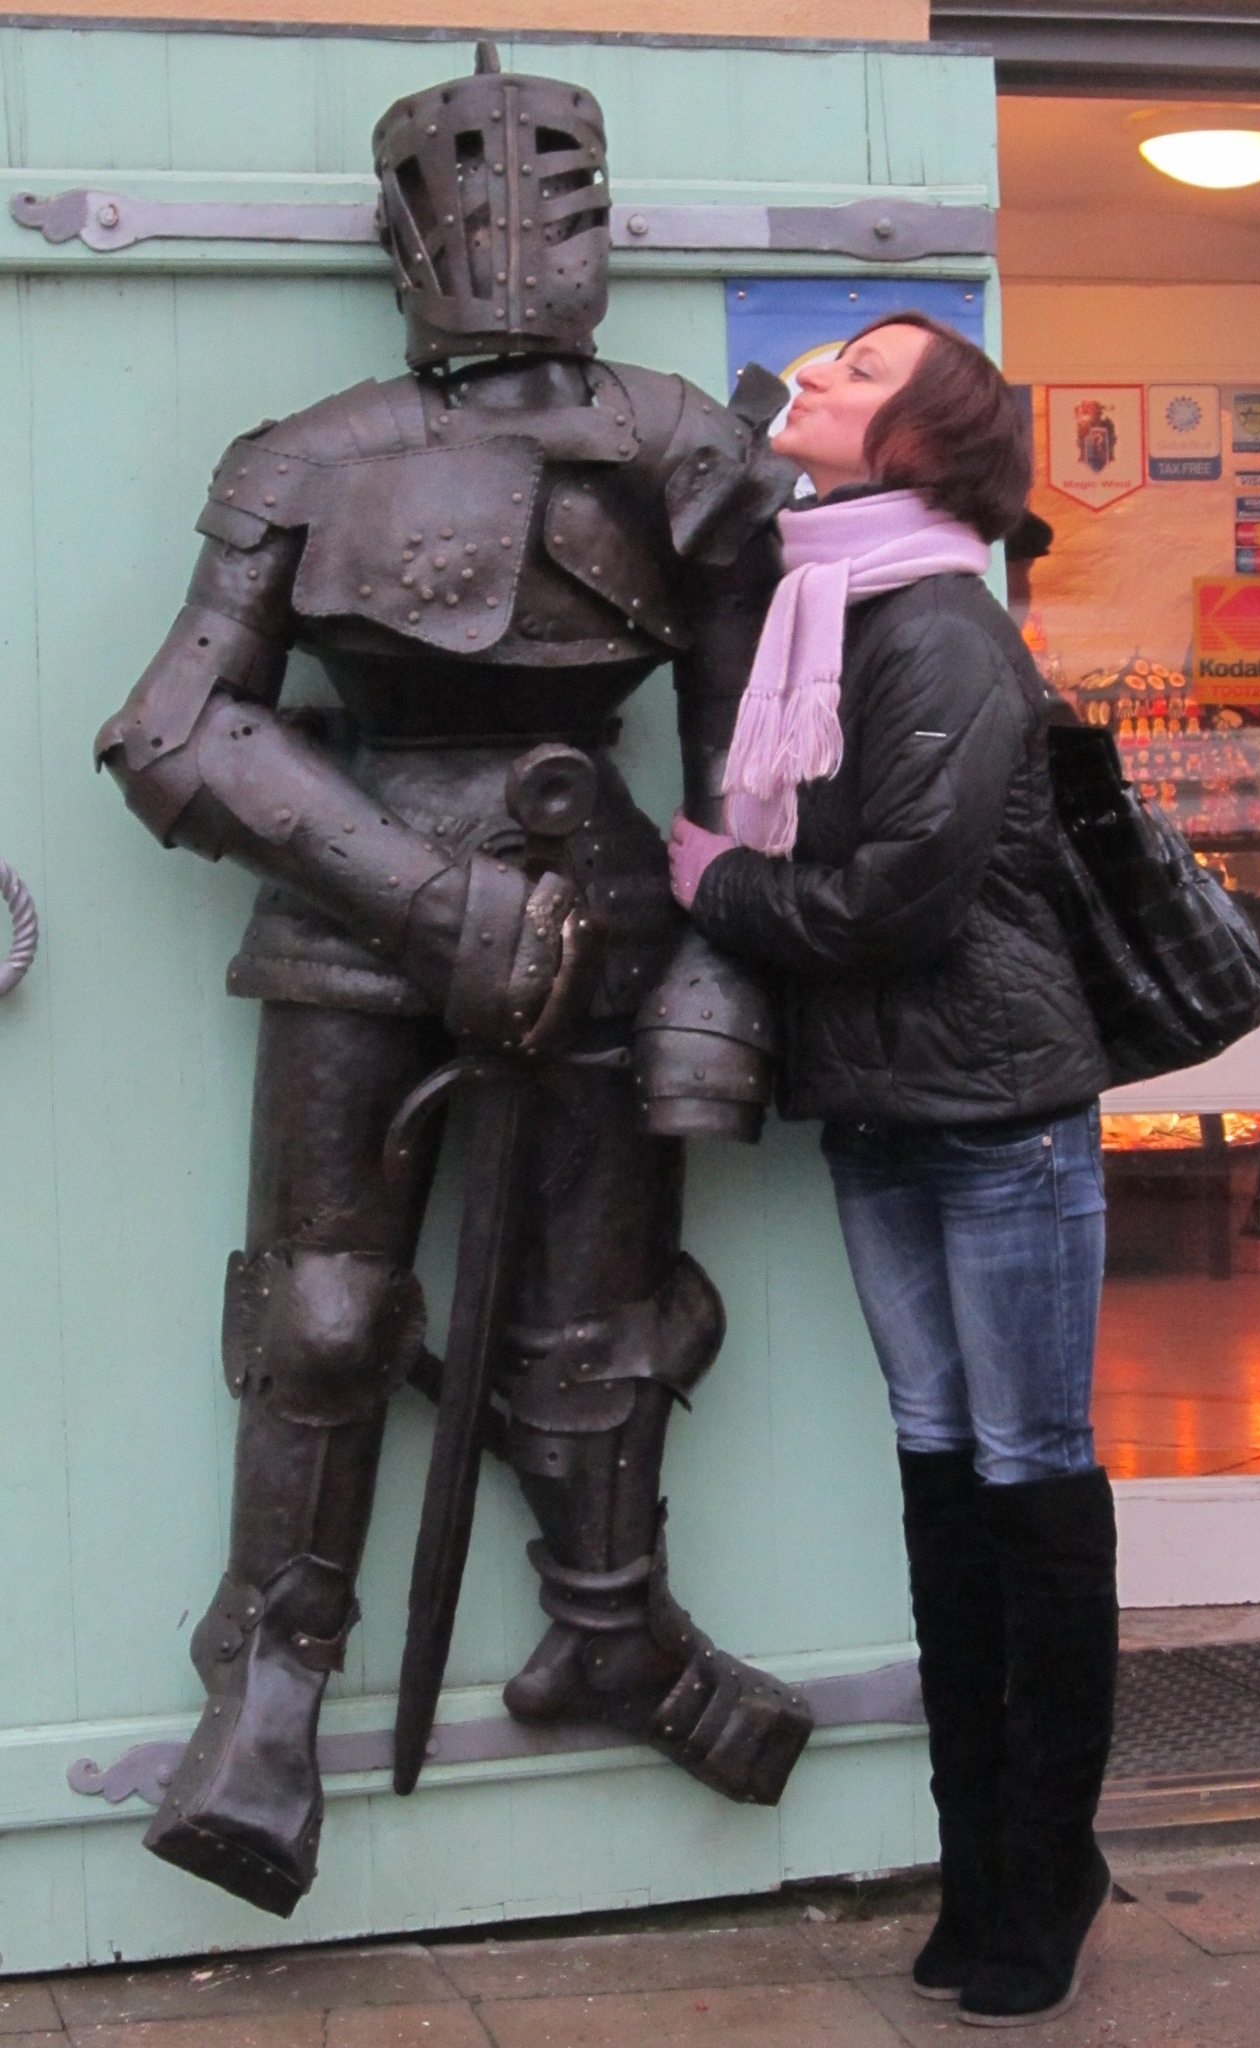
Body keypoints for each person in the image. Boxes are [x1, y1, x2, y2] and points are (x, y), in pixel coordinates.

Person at [95, 45, 812, 1921]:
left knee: (601, 1326)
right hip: (357, 906)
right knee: (328, 1315)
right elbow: (173, 728)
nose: (511, 234)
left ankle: (613, 1627)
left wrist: (717, 975)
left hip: (612, 909)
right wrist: (424, 899)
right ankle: (266, 1675)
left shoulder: (685, 447)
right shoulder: (307, 456)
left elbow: (749, 757)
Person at [668, 313, 1117, 2029]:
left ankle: (1044, 1876)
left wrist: (712, 881)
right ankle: (980, 1868)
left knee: (1029, 1480)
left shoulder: (937, 626)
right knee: (943, 1483)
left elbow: (896, 900)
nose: (817, 381)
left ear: (925, 446)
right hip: (882, 1110)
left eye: (860, 374)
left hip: (1000, 1118)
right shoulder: (824, 600)